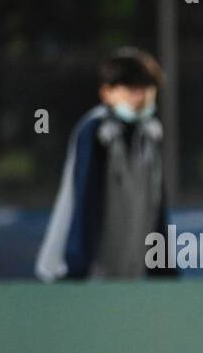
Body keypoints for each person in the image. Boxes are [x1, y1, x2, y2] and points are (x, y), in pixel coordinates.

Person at [36, 47, 175, 282]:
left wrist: (163, 268)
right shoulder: (95, 132)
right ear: (107, 93)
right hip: (80, 273)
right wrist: (76, 268)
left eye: (146, 88)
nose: (139, 97)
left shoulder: (150, 135)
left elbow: (156, 207)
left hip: (125, 273)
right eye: (131, 89)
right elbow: (85, 202)